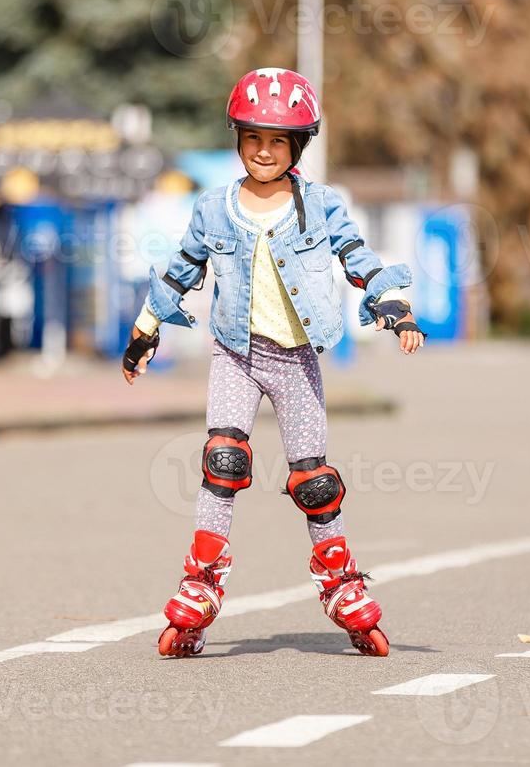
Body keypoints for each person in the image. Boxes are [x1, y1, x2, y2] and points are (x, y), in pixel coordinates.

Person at [122, 68, 427, 658]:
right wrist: (146, 329)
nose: (264, 151)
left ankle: (340, 584)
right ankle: (200, 583)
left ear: (297, 147)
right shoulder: (214, 208)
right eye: (254, 138)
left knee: (314, 482)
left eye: (278, 141)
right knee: (223, 459)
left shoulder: (320, 206)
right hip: (235, 354)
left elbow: (357, 258)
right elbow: (183, 270)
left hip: (295, 361)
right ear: (238, 139)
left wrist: (394, 309)